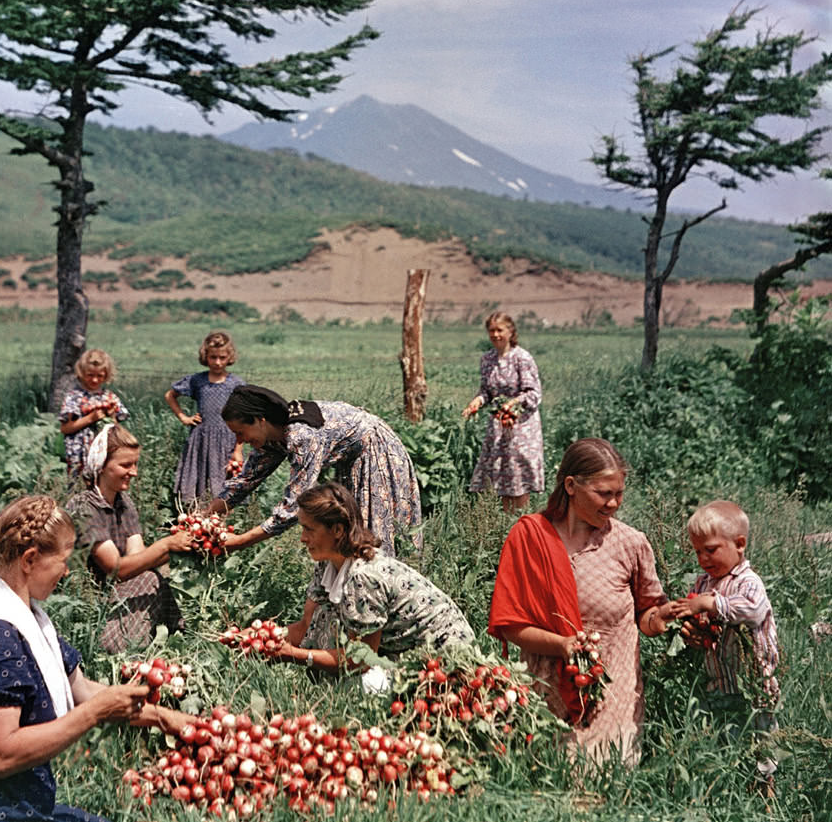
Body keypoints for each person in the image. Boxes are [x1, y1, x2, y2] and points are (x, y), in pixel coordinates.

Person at [0, 494, 188, 822]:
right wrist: (94, 714)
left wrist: (169, 719)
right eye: (63, 559)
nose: (67, 572)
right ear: (29, 559)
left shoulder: (30, 619)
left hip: (22, 805)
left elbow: (81, 689)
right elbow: (1, 755)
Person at [487, 438, 674, 764]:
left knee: (599, 782)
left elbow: (648, 612)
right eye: (604, 494)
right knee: (551, 782)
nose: (614, 503)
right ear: (571, 486)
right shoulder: (530, 538)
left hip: (612, 697)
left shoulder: (630, 544)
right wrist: (563, 645)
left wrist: (661, 620)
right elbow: (511, 625)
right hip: (546, 695)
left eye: (619, 494)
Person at [274, 483, 474, 676]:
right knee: (325, 617)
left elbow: (360, 661)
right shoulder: (327, 564)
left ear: (337, 530)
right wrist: (265, 637)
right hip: (402, 649)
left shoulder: (363, 577)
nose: (302, 538)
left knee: (368, 684)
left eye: (309, 529)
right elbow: (306, 625)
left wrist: (296, 655)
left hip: (446, 654)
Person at [209, 385, 422, 558]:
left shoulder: (302, 436)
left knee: (370, 537)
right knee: (348, 533)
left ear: (259, 420)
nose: (239, 441)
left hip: (376, 452)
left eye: (240, 432)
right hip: (351, 461)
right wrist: (202, 517)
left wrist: (240, 542)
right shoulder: (271, 437)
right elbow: (244, 481)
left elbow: (293, 507)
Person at [673, 500, 780, 790]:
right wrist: (690, 628)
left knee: (760, 739)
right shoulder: (704, 583)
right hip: (719, 681)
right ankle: (734, 787)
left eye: (710, 550)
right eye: (697, 551)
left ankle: (764, 788)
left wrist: (712, 603)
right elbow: (699, 619)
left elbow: (753, 611)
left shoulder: (748, 582)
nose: (703, 559)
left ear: (740, 544)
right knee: (728, 738)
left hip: (753, 682)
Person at [65, 423, 191, 653]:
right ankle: (122, 647)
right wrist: (166, 544)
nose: (134, 472)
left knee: (156, 573)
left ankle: (174, 635)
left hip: (117, 592)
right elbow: (117, 570)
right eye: (125, 465)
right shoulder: (84, 507)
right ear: (101, 466)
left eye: (135, 464)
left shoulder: (124, 502)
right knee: (151, 578)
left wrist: (179, 549)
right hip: (88, 602)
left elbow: (138, 558)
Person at [461, 311, 544, 513]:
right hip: (498, 425)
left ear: (510, 331)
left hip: (521, 426)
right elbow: (487, 392)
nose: (495, 334)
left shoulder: (522, 358)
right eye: (492, 330)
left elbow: (533, 393)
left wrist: (513, 403)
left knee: (518, 473)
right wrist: (477, 402)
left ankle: (521, 520)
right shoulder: (487, 359)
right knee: (499, 475)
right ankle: (505, 521)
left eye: (500, 330)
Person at [164, 331, 245, 501]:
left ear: (229, 357)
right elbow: (170, 395)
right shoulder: (197, 380)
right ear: (205, 356)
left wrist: (238, 450)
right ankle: (197, 515)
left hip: (227, 439)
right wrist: (184, 418)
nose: (217, 362)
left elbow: (243, 418)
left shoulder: (236, 384)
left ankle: (221, 518)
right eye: (213, 357)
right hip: (201, 437)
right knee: (198, 479)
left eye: (222, 357)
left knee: (226, 483)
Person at [58, 349, 129, 485]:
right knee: (79, 486)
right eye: (90, 375)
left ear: (106, 375)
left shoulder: (109, 397)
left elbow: (116, 427)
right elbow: (65, 428)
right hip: (79, 455)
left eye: (100, 376)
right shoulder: (74, 397)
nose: (95, 380)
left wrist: (111, 415)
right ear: (82, 373)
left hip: (103, 452)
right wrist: (90, 419)